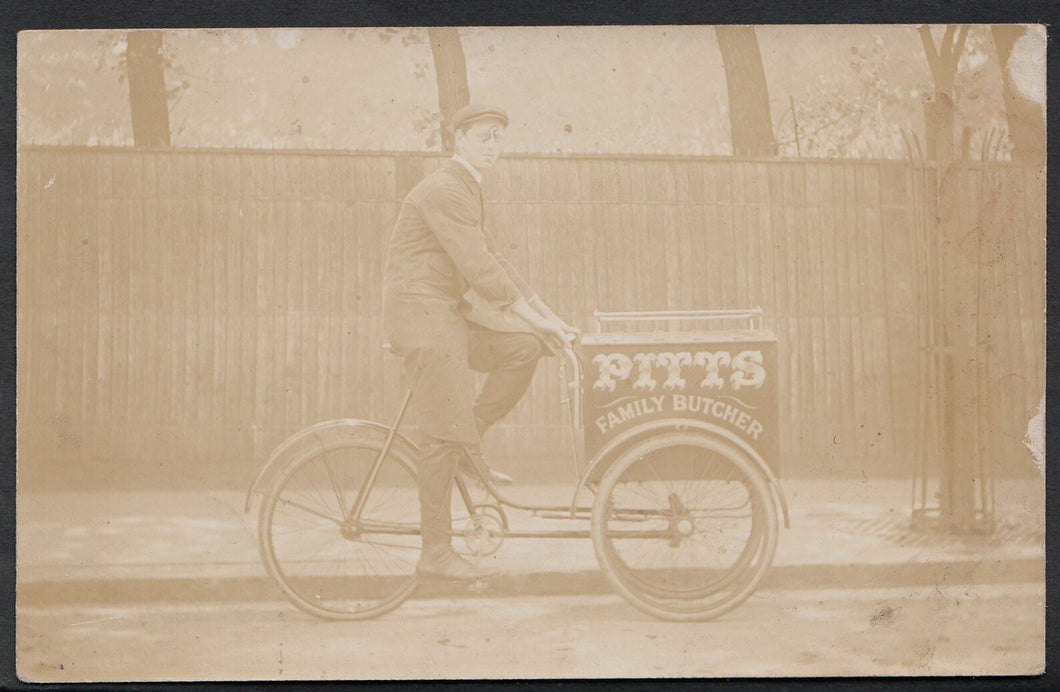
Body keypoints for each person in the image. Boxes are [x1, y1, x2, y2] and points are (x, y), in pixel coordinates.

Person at [382, 103, 580, 580]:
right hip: (424, 318)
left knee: (522, 348)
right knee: (441, 436)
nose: (494, 146)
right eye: (484, 137)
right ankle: (435, 553)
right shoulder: (446, 188)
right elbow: (479, 268)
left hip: (444, 315)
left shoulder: (466, 188)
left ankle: (469, 447)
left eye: (499, 138)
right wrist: (535, 318)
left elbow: (497, 261)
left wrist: (549, 321)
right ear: (459, 141)